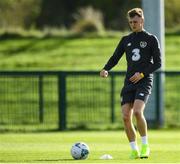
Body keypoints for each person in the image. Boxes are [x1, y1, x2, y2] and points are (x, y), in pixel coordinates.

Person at [100, 8, 161, 159]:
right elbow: (115, 58)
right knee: (126, 116)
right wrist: (105, 69)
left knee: (138, 112)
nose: (133, 24)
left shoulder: (151, 39)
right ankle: (133, 149)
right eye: (131, 22)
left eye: (135, 21)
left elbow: (158, 63)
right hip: (129, 82)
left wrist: (141, 74)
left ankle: (145, 146)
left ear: (142, 21)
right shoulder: (125, 40)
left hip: (144, 80)